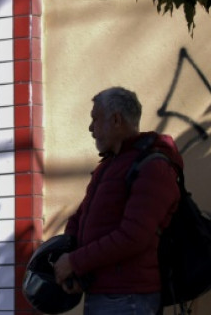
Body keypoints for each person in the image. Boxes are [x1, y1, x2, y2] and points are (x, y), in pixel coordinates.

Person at [53, 87, 182, 315]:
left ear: (116, 120)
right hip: (103, 293)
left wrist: (74, 262)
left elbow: (133, 236)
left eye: (95, 119)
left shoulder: (153, 166)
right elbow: (81, 217)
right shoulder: (111, 166)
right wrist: (70, 255)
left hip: (128, 299)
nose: (90, 128)